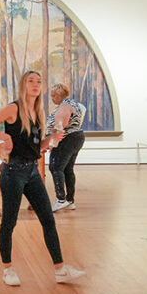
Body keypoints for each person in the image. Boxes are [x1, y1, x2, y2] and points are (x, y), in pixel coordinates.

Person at [0, 70, 86, 287]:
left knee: (48, 220)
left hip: (32, 173)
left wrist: (52, 139)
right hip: (12, 173)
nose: (35, 85)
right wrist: (4, 136)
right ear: (23, 85)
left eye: (39, 82)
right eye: (31, 81)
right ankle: (8, 269)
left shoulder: (39, 112)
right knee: (9, 222)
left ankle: (60, 269)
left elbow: (36, 147)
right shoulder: (13, 108)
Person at [46, 83, 87, 212]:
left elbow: (60, 125)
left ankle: (61, 200)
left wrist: (52, 143)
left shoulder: (64, 106)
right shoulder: (74, 104)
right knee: (67, 169)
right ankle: (70, 200)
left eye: (53, 96)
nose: (52, 99)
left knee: (55, 167)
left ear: (59, 95)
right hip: (77, 137)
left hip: (67, 139)